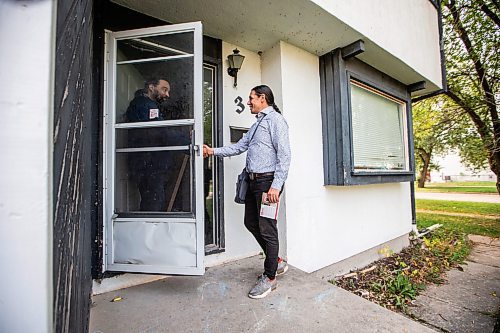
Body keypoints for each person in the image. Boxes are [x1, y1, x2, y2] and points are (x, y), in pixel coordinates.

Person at [203, 85, 291, 299]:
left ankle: (270, 277)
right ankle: (276, 261)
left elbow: (285, 155)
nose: (249, 102)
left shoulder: (276, 120)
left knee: (267, 228)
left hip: (267, 184)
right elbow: (238, 147)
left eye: (251, 98)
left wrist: (276, 186)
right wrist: (212, 151)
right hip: (253, 183)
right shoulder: (257, 124)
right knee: (251, 223)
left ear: (263, 98)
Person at [126, 78, 171, 211]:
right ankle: (151, 229)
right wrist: (188, 142)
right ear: (151, 87)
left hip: (146, 162)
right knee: (153, 201)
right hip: (148, 163)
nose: (167, 95)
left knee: (150, 200)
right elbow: (160, 131)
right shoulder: (145, 105)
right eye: (164, 89)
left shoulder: (144, 104)